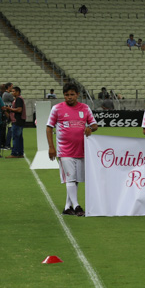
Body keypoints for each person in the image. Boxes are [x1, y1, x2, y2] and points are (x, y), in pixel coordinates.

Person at [46, 83, 99, 216]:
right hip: (65, 150)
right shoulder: (57, 108)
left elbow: (94, 125)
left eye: (72, 94)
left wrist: (90, 128)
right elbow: (49, 128)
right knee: (70, 178)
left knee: (75, 179)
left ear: (77, 95)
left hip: (81, 149)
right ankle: (77, 206)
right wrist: (51, 147)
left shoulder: (85, 108)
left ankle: (67, 206)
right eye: (66, 95)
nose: (69, 97)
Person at [4, 85, 26, 158]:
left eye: (14, 91)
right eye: (12, 91)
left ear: (18, 92)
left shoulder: (18, 99)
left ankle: (15, 153)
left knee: (16, 137)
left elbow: (19, 109)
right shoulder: (18, 99)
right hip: (20, 120)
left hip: (17, 120)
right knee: (19, 138)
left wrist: (10, 109)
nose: (12, 93)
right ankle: (20, 153)